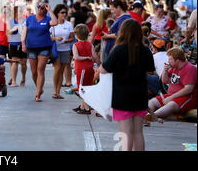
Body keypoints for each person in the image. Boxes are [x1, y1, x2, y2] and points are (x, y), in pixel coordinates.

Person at [99, 19, 156, 151]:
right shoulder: (146, 51)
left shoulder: (118, 50)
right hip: (140, 94)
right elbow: (151, 69)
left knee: (126, 133)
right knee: (138, 132)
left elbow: (104, 69)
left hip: (122, 96)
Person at [147, 47, 197, 123]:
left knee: (171, 104)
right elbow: (165, 81)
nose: (168, 61)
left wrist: (171, 97)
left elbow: (188, 89)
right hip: (172, 95)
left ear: (177, 60)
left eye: (170, 59)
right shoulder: (174, 67)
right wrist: (165, 70)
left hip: (187, 97)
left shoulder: (190, 68)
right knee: (153, 101)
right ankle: (144, 114)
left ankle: (152, 116)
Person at [21, 1, 58, 102]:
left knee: (40, 70)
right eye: (39, 7)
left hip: (44, 47)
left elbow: (55, 22)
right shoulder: (30, 18)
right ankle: (39, 88)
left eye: (43, 8)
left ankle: (37, 94)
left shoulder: (48, 19)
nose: (40, 9)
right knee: (33, 72)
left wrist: (50, 10)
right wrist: (23, 44)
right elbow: (24, 31)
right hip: (31, 47)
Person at [50, 4, 75, 97]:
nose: (64, 14)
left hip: (66, 49)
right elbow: (48, 37)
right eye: (62, 12)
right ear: (57, 13)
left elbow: (72, 38)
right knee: (57, 68)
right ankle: (54, 91)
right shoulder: (53, 24)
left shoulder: (69, 24)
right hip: (55, 50)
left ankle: (58, 91)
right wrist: (56, 38)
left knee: (62, 70)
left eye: (65, 12)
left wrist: (66, 41)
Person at [72, 24, 96, 113]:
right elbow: (94, 55)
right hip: (90, 68)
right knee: (87, 87)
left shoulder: (76, 45)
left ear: (76, 35)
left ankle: (86, 108)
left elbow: (76, 57)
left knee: (81, 89)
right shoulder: (90, 44)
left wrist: (85, 57)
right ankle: (82, 106)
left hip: (81, 69)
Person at [7, 5, 27, 87]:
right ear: (15, 12)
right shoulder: (10, 21)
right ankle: (14, 81)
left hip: (23, 44)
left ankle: (23, 78)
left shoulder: (25, 21)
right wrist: (13, 29)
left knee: (23, 63)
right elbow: (7, 32)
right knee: (14, 61)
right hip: (13, 44)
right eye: (19, 11)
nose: (20, 12)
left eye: (21, 11)